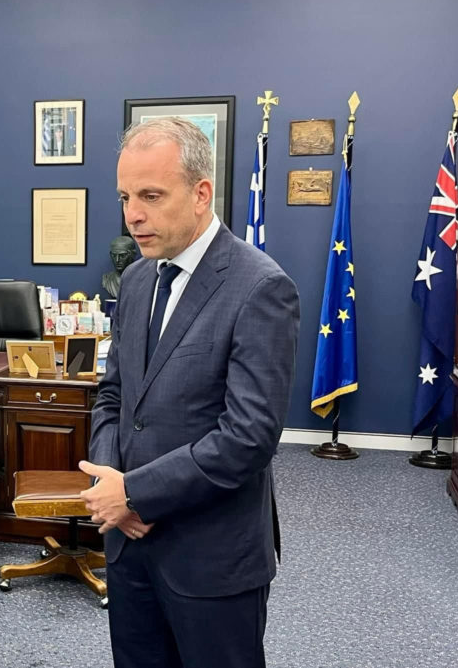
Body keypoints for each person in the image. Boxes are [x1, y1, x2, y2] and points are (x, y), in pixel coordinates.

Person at [79, 117, 299, 668]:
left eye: (151, 195)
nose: (133, 214)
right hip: (129, 548)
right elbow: (113, 398)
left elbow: (248, 438)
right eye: (126, 196)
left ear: (201, 193)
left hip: (211, 558)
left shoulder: (260, 287)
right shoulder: (134, 280)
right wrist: (112, 484)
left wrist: (135, 494)